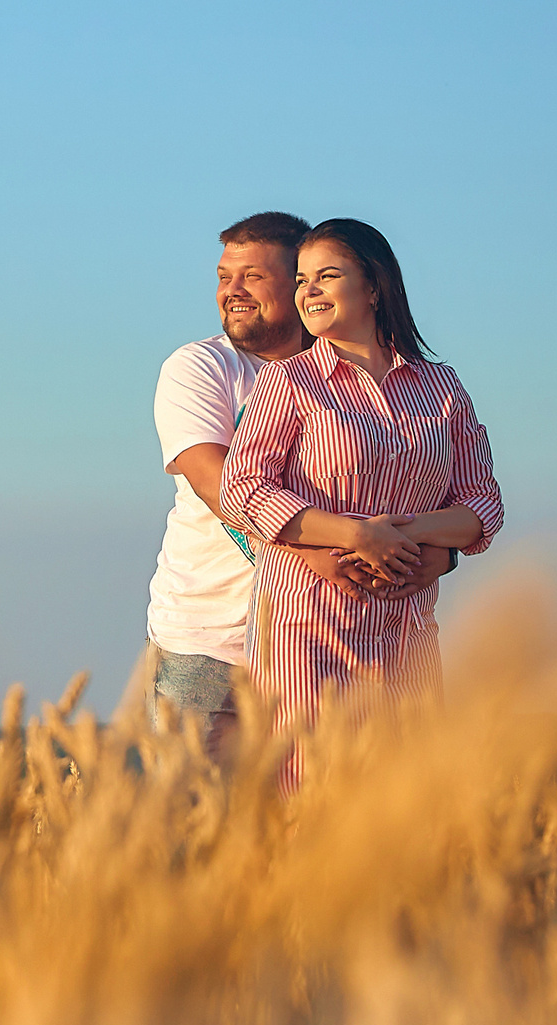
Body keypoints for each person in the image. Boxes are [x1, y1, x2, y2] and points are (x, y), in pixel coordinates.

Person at [148, 213, 451, 755]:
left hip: (341, 638)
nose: (232, 292)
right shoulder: (201, 367)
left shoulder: (367, 377)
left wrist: (439, 555)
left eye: (253, 278)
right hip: (210, 642)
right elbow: (223, 488)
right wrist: (312, 551)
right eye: (224, 277)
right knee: (199, 828)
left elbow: (422, 489)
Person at [220, 218, 505, 773]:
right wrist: (354, 535)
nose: (309, 292)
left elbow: (483, 504)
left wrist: (413, 539)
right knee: (309, 798)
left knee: (402, 812)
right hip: (309, 630)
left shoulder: (441, 387)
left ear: (375, 287)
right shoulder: (289, 380)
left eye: (328, 275)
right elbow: (243, 489)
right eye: (302, 280)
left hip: (408, 632)